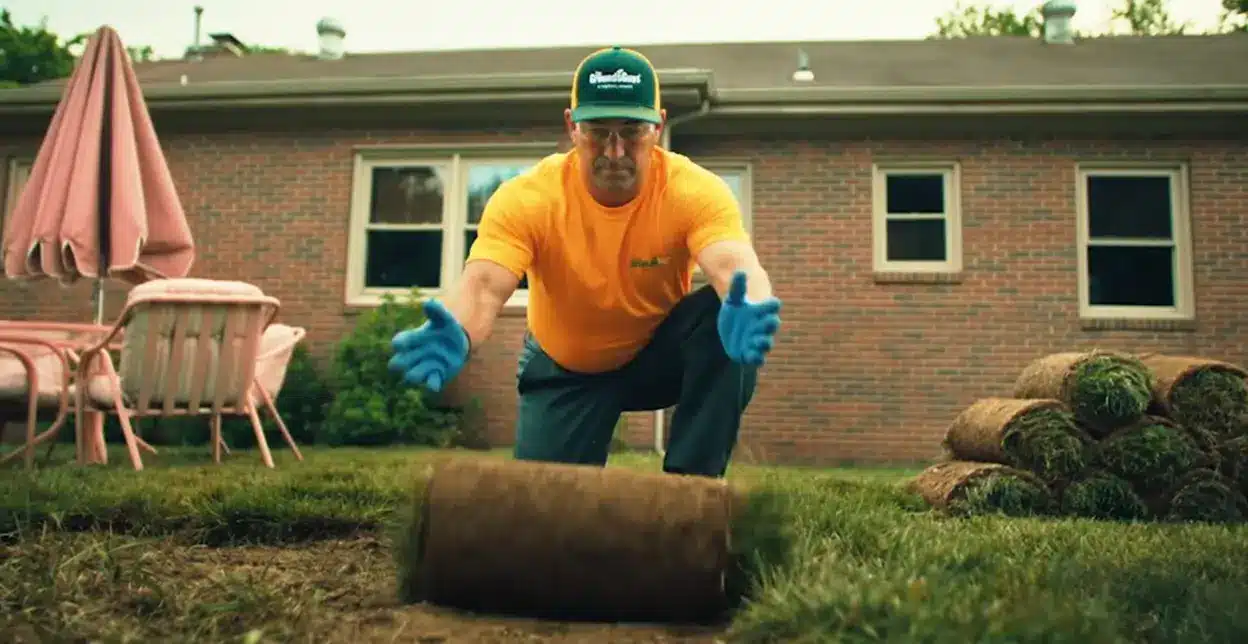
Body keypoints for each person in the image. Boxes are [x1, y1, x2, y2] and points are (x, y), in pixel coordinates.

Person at [388, 45, 781, 478]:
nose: (614, 152)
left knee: (722, 315)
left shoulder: (693, 190)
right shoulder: (529, 198)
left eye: (632, 131)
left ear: (658, 127)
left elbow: (734, 264)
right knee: (542, 511)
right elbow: (483, 285)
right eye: (597, 131)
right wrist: (458, 329)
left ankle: (692, 493)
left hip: (652, 355)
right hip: (566, 368)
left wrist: (751, 303)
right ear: (572, 127)